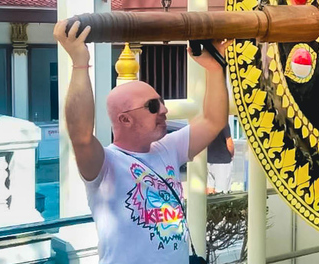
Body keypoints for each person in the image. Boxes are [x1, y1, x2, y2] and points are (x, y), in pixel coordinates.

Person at [54, 20, 230, 264]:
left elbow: (213, 120)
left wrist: (215, 69)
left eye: (161, 101)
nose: (165, 110)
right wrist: (80, 63)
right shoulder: (106, 166)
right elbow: (80, 135)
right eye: (153, 106)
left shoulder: (168, 148)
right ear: (125, 119)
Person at [206, 124, 235, 194]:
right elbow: (229, 143)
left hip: (209, 160)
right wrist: (232, 154)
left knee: (210, 189)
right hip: (223, 161)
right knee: (222, 192)